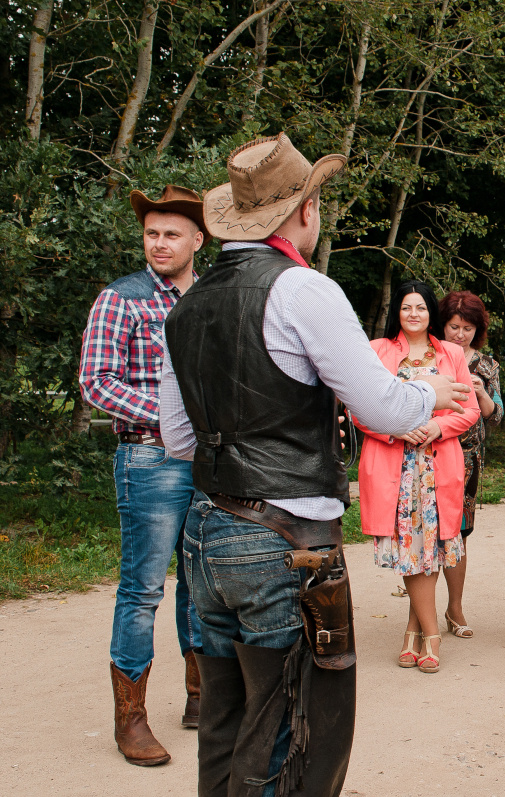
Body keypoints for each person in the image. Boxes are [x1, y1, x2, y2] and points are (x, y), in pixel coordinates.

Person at [160, 132, 470, 795]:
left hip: (206, 530)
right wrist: (430, 392)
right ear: (304, 210)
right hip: (284, 538)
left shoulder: (188, 305)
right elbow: (382, 405)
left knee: (224, 719)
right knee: (288, 726)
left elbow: (178, 437)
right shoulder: (303, 289)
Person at [79, 185, 208, 766]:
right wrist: (174, 416)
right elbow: (97, 382)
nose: (159, 243)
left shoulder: (212, 297)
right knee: (142, 590)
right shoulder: (122, 298)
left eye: (171, 234)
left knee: (203, 581)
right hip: (150, 459)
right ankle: (130, 719)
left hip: (209, 460)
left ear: (197, 239)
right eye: (152, 233)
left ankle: (202, 697)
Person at [356, 280, 480, 673]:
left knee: (430, 549)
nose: (414, 314)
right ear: (397, 310)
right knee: (413, 549)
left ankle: (417, 632)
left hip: (436, 465)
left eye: (421, 307)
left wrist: (438, 427)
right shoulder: (377, 350)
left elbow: (470, 409)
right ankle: (430, 632)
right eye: (407, 307)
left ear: (431, 313)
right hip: (396, 466)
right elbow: (359, 407)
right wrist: (394, 429)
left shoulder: (451, 353)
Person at [439, 290, 504, 638]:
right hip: (429, 452)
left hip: (467, 459)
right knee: (425, 530)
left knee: (458, 533)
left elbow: (496, 417)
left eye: (467, 328)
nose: (460, 334)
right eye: (454, 326)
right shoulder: (430, 357)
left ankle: (455, 607)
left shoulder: (487, 365)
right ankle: (419, 614)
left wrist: (480, 392)